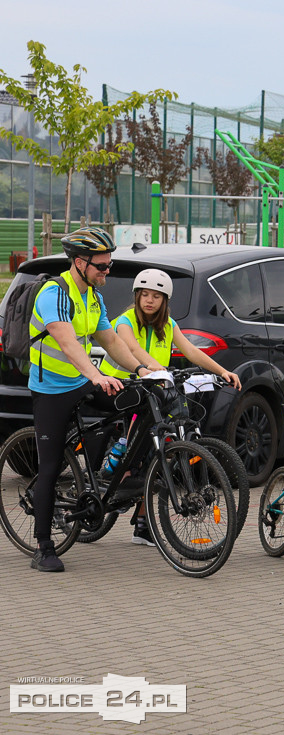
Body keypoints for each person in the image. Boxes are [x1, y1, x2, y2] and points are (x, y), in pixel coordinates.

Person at [27, 227, 150, 572]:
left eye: (109, 264)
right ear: (80, 263)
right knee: (50, 467)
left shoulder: (92, 297)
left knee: (139, 400)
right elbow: (67, 343)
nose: (107, 271)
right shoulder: (54, 293)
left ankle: (121, 474)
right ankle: (43, 546)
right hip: (50, 389)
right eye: (102, 266)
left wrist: (142, 370)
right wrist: (97, 375)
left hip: (80, 382)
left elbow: (111, 342)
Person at [98, 268, 242, 546]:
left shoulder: (169, 325)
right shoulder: (125, 321)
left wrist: (223, 371)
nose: (150, 301)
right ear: (137, 297)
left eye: (156, 296)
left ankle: (142, 524)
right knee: (135, 449)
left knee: (162, 454)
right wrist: (156, 368)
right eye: (145, 295)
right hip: (121, 388)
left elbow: (191, 351)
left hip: (154, 389)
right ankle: (116, 465)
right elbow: (132, 350)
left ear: (165, 301)